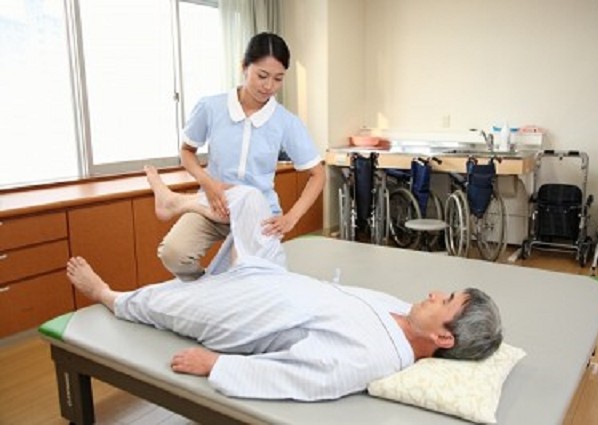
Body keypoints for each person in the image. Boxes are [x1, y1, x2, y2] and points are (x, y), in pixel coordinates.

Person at [66, 168, 503, 402]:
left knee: (159, 302)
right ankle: (176, 203)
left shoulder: (372, 356)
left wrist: (217, 364)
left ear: (444, 337)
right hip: (272, 275)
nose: (434, 293)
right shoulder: (401, 312)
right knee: (249, 198)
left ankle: (106, 294)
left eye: (446, 300)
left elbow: (303, 378)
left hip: (241, 312)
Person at [161, 31, 325, 281]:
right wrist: (207, 182)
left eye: (278, 79)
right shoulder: (211, 107)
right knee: (174, 254)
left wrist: (292, 218)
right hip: (214, 205)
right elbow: (187, 151)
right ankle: (204, 289)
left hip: (259, 214)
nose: (269, 86)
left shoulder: (286, 121)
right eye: (262, 76)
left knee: (248, 281)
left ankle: (220, 289)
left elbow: (318, 174)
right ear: (244, 67)